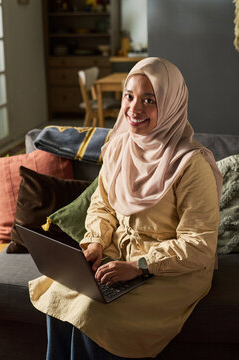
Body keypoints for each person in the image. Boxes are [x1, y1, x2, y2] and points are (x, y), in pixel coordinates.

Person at [29, 57, 222, 360]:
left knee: (95, 317)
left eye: (149, 99)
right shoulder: (120, 147)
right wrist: (95, 242)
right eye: (129, 96)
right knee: (58, 299)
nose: (134, 108)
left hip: (172, 271)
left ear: (171, 103)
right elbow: (103, 205)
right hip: (119, 258)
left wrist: (139, 267)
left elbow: (199, 244)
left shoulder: (191, 165)